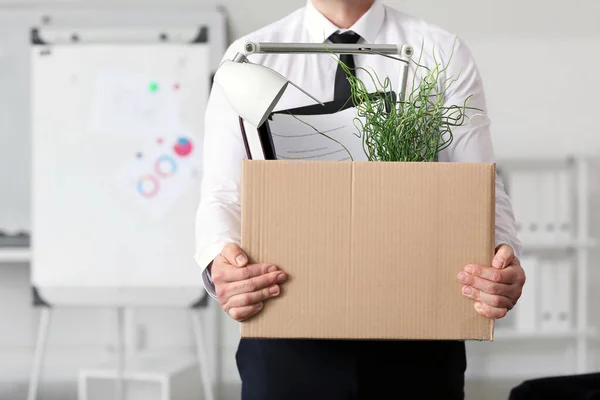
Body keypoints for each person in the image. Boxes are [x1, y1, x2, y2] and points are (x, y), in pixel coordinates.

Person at [194, 0, 526, 398]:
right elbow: (223, 193)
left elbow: (479, 186)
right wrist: (220, 262)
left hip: (415, 335)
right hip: (288, 327)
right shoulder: (250, 57)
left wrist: (501, 251)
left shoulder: (438, 51)